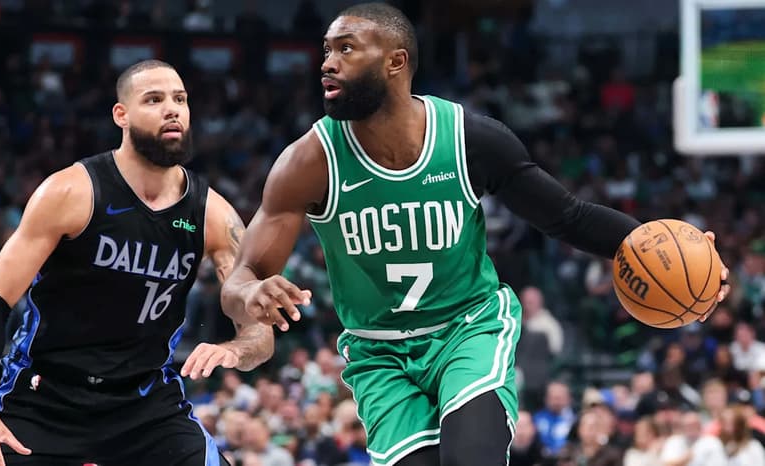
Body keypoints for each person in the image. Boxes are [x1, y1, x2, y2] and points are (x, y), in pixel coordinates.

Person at [221, 3, 731, 465]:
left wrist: (666, 253)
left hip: (467, 328)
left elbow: (567, 217)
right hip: (380, 352)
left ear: (396, 62)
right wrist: (251, 292)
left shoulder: (469, 139)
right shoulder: (308, 163)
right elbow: (239, 279)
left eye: (346, 49)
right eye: (327, 50)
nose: (328, 63)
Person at [0, 60, 274, 466]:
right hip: (46, 396)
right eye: (154, 99)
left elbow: (259, 332)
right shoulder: (70, 192)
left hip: (145, 405)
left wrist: (236, 349)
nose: (172, 109)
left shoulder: (213, 215)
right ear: (121, 115)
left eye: (180, 99)